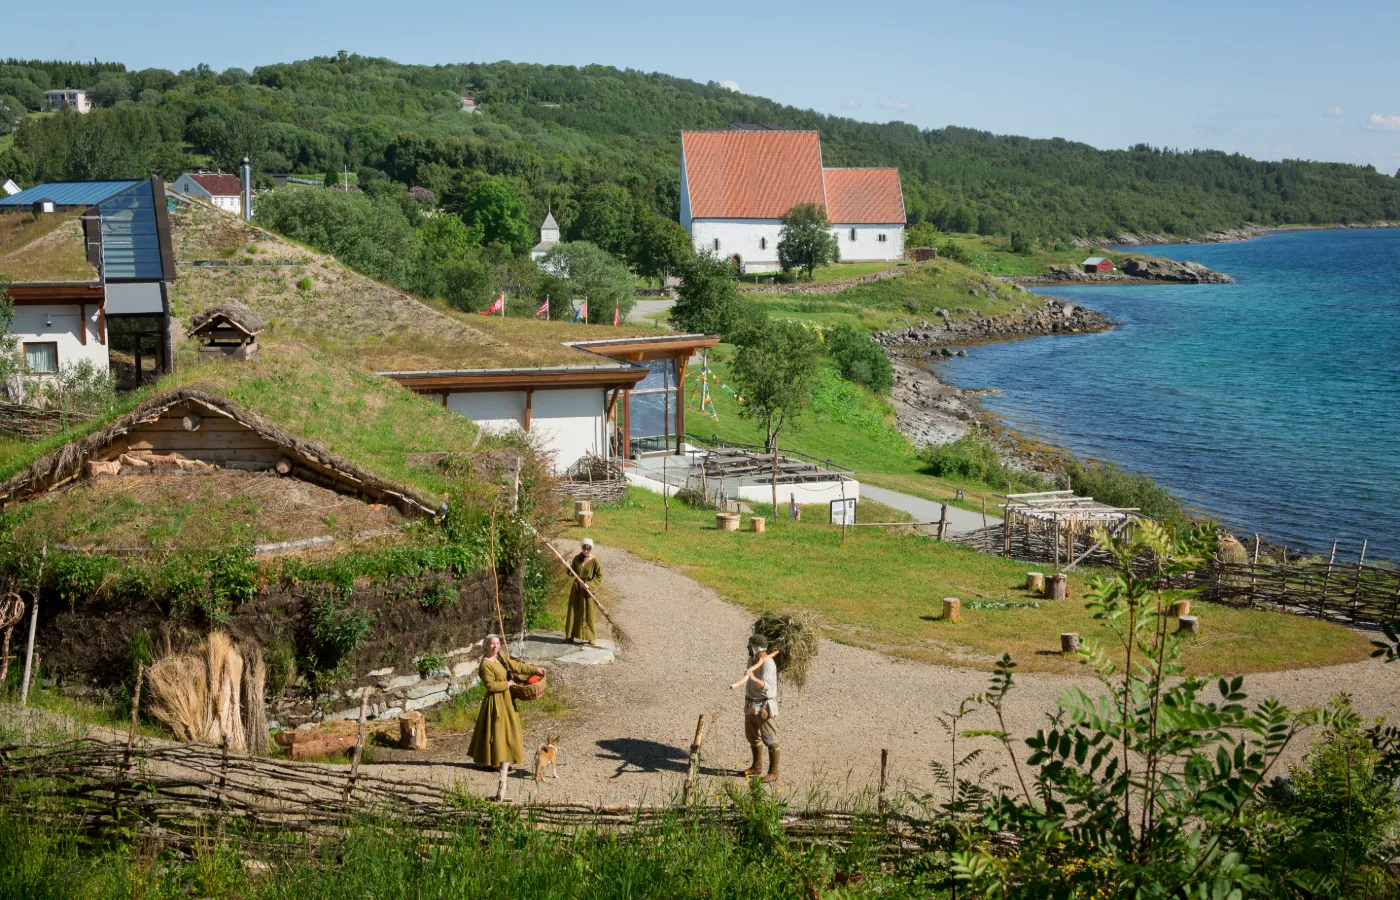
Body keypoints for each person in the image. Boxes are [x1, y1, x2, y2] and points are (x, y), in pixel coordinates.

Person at [468, 634, 545, 794]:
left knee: (509, 730)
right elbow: (490, 685)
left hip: (507, 700)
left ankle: (505, 759)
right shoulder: (485, 664)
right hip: (496, 701)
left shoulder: (501, 658)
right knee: (497, 731)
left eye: (497, 643)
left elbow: (516, 666)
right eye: (491, 644)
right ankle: (494, 761)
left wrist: (535, 669)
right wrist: (507, 683)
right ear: (486, 646)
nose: (495, 646)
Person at [740, 633, 780, 784]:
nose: (747, 648)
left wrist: (752, 677)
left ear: (756, 648)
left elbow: (766, 687)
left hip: (764, 706)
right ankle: (757, 767)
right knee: (751, 736)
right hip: (751, 704)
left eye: (750, 645)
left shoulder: (768, 664)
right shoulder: (752, 659)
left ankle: (773, 772)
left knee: (769, 739)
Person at [566, 538, 603, 645]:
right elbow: (572, 573)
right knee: (574, 611)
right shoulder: (577, 558)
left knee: (589, 612)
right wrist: (568, 567)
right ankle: (570, 636)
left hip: (588, 591)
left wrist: (590, 585)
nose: (586, 551)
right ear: (582, 548)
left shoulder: (595, 560)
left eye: (588, 549)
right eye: (584, 549)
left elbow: (600, 576)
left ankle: (590, 637)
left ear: (591, 549)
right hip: (576, 589)